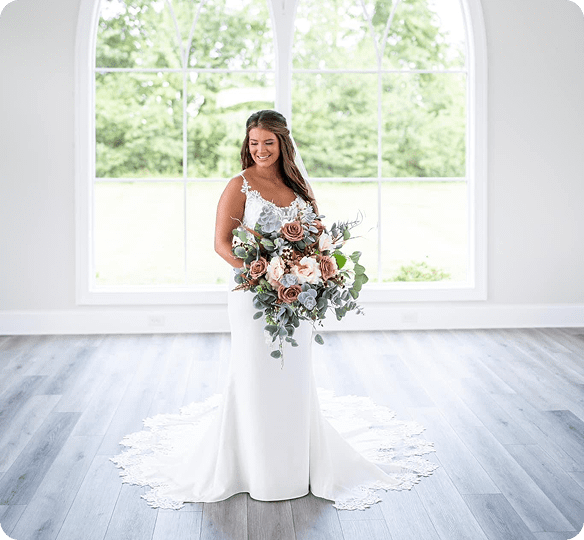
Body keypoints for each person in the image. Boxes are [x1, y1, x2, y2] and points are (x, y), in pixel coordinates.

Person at [110, 110, 437, 510]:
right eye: (253, 142)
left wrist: (314, 272)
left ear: (282, 143)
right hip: (252, 296)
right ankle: (250, 468)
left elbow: (317, 237)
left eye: (268, 142)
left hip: (297, 299)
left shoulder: (299, 185)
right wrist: (261, 275)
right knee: (253, 375)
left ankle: (297, 464)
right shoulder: (240, 185)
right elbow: (221, 243)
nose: (260, 150)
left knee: (293, 376)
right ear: (246, 145)